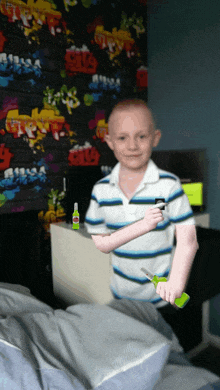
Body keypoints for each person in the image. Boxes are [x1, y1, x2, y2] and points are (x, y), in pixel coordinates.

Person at [84, 99, 199, 315]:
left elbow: (188, 240)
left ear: (155, 138)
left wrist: (175, 284)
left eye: (141, 136)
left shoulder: (168, 185)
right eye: (122, 137)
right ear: (110, 141)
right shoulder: (101, 191)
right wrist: (144, 225)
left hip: (159, 300)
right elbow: (102, 245)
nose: (132, 146)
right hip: (121, 296)